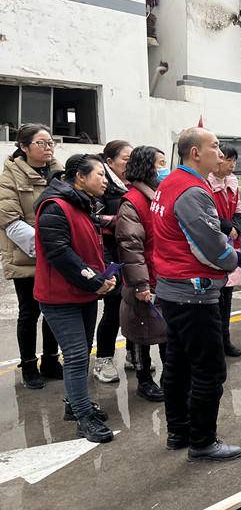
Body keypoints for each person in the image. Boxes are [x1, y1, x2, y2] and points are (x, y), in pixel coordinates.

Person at [151, 127, 241, 462]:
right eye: (215, 147)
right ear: (195, 153)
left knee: (178, 364)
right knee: (209, 370)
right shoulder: (191, 191)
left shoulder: (171, 182)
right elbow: (211, 246)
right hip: (193, 293)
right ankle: (202, 441)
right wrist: (232, 259)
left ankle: (179, 431)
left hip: (173, 289)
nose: (220, 153)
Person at [35, 154, 117, 443]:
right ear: (80, 177)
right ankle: (83, 418)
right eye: (100, 175)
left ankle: (76, 403)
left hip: (83, 293)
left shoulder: (84, 204)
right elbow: (60, 253)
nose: (105, 181)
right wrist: (94, 281)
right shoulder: (55, 207)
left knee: (83, 351)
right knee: (76, 355)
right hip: (60, 297)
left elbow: (93, 245)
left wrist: (105, 274)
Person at [0, 124, 61, 389]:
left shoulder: (59, 173)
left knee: (55, 310)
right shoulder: (9, 177)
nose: (48, 148)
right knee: (29, 312)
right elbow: (10, 221)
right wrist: (49, 248)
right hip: (26, 255)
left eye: (51, 143)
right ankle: (28, 365)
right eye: (41, 143)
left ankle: (50, 360)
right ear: (24, 147)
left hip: (56, 253)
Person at [115, 146, 167, 402]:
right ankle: (144, 380)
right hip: (144, 279)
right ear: (147, 168)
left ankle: (169, 378)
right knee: (141, 332)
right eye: (160, 164)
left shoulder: (158, 197)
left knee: (165, 331)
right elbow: (130, 246)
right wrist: (140, 284)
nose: (164, 170)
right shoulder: (133, 201)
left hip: (163, 275)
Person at [93, 140, 135, 384]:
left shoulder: (132, 185)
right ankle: (103, 359)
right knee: (113, 310)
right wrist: (122, 221)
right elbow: (94, 221)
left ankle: (133, 353)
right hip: (110, 256)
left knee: (135, 307)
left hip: (132, 255)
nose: (129, 165)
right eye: (125, 160)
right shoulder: (103, 187)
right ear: (109, 162)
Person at [209, 145, 241, 357]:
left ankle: (225, 339)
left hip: (232, 243)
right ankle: (214, 343)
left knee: (228, 297)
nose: (231, 165)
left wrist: (237, 226)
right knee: (215, 299)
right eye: (227, 159)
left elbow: (239, 207)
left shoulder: (232, 183)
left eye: (234, 161)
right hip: (214, 245)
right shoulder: (206, 184)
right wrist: (226, 226)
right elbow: (208, 213)